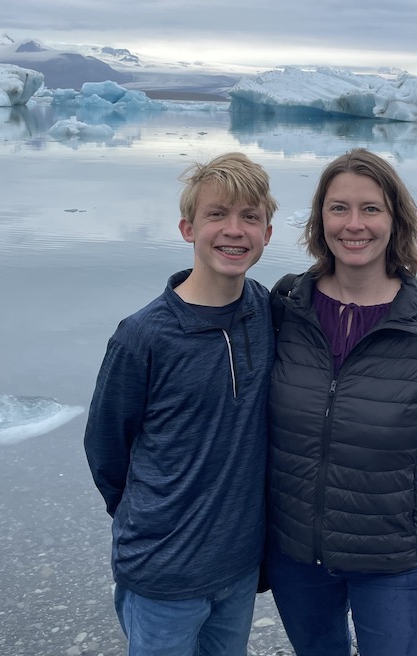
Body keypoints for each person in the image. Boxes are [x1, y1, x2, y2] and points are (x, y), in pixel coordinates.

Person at [266, 148, 417, 656]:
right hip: (298, 556)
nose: (353, 224)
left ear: (396, 219)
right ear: (320, 219)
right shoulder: (286, 304)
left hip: (398, 562)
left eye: (371, 208)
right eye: (338, 208)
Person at [84, 152, 277, 656]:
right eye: (217, 215)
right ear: (188, 228)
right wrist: (150, 523)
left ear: (268, 234)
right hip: (162, 574)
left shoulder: (268, 312)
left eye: (249, 217)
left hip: (237, 567)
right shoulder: (143, 336)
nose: (234, 231)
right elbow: (106, 448)